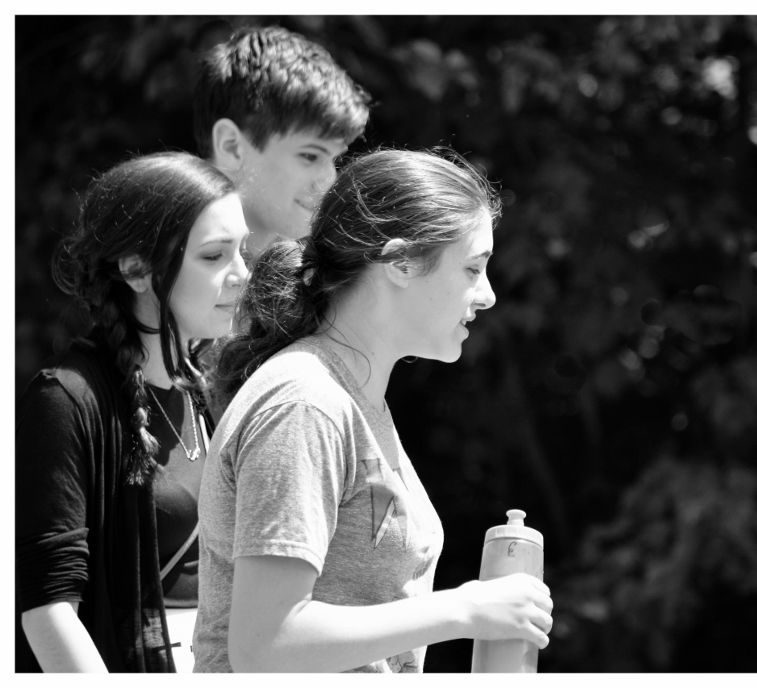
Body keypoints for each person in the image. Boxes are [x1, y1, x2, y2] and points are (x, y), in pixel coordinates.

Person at [193, 148, 553, 673]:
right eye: (473, 267)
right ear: (400, 261)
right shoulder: (305, 403)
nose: (489, 295)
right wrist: (464, 608)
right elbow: (265, 645)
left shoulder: (350, 400)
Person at [15, 152, 250, 673]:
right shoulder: (67, 399)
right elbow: (48, 613)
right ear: (136, 269)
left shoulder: (209, 389)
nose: (241, 275)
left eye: (242, 251)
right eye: (214, 256)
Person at [194, 25, 371, 258]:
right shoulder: (157, 265)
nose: (329, 182)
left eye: (334, 159)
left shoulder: (316, 281)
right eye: (310, 156)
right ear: (231, 146)